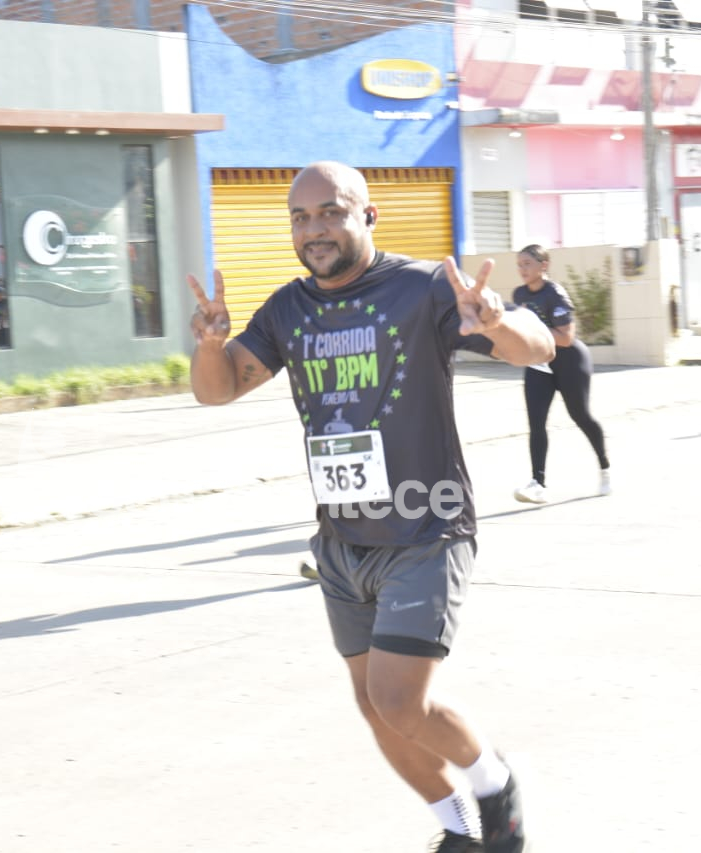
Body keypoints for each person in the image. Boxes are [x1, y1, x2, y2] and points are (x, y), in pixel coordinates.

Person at [188, 161, 554, 853]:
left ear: (367, 215)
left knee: (398, 699)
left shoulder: (423, 287)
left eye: (331, 212)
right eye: (301, 217)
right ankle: (459, 831)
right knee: (373, 706)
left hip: (426, 527)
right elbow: (217, 389)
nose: (315, 229)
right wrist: (210, 345)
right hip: (342, 541)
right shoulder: (288, 308)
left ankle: (494, 781)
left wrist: (498, 320)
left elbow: (537, 347)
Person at [509, 244, 611, 504]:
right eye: (519, 264)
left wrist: (532, 330)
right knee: (536, 423)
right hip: (539, 363)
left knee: (580, 415)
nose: (522, 269)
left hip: (569, 362)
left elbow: (565, 338)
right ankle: (538, 484)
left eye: (527, 264)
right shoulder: (519, 294)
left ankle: (604, 468)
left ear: (543, 265)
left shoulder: (555, 294)